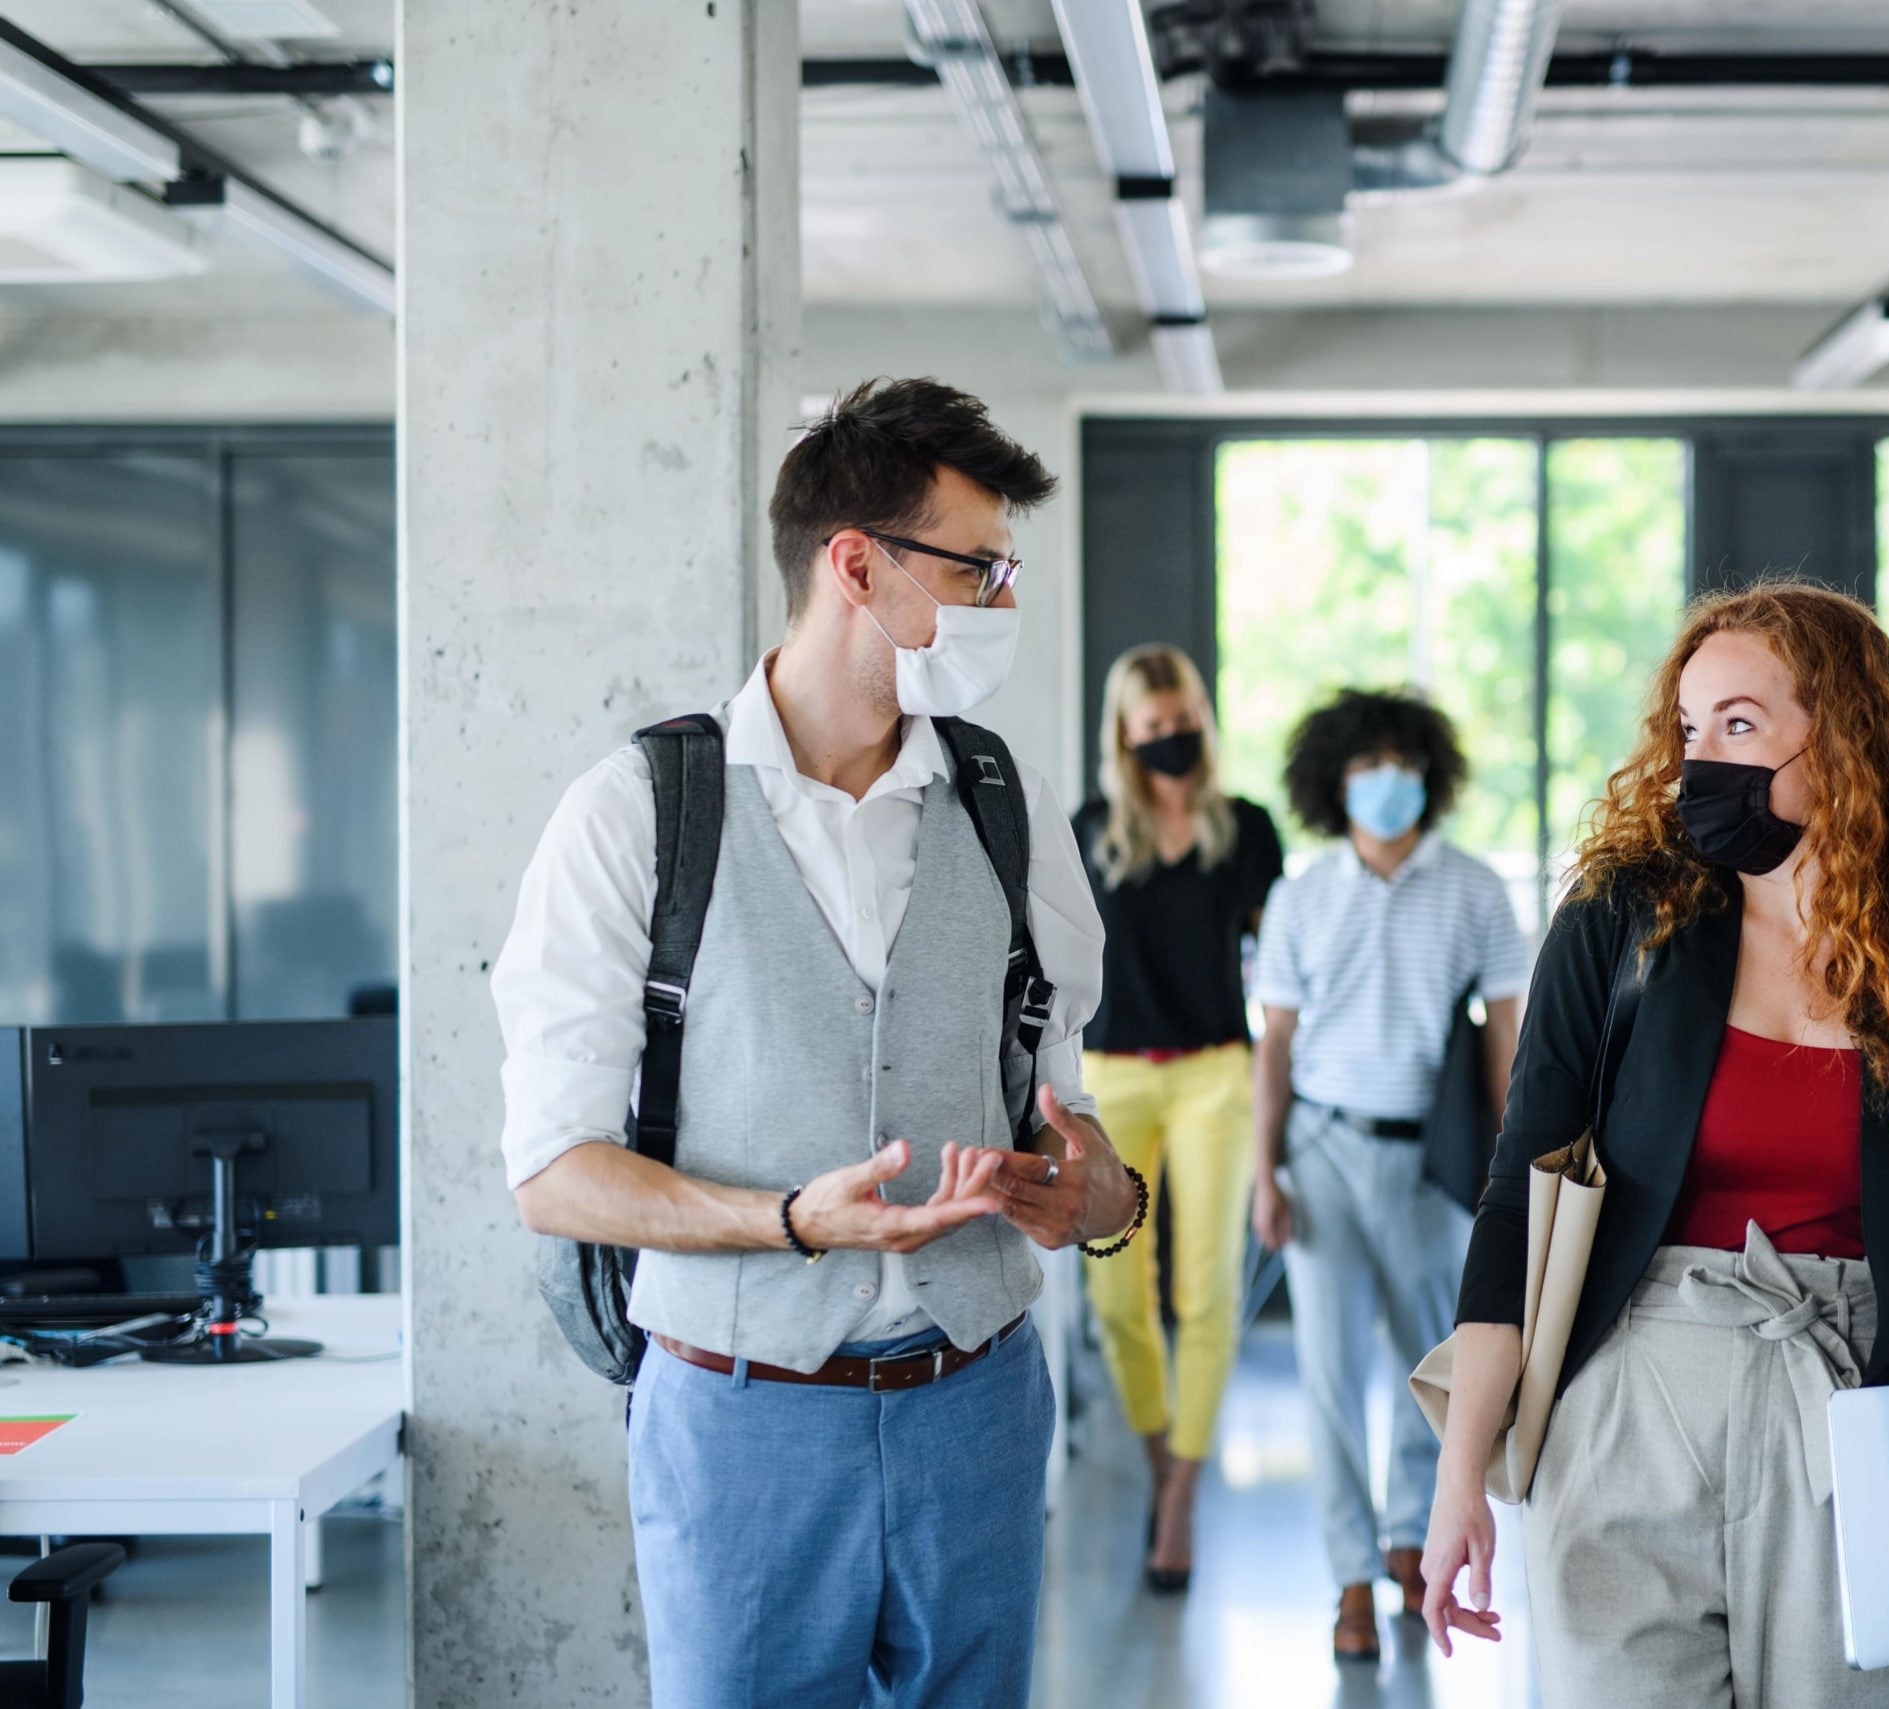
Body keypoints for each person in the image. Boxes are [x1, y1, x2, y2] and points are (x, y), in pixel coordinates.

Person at [493, 378, 1144, 1709]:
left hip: (980, 1403)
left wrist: (1105, 1199)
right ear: (857, 563)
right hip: (740, 1417)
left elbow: (1068, 1117)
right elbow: (555, 1171)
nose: (1001, 602)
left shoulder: (1007, 813)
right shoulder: (634, 816)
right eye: (978, 565)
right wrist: (790, 1221)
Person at [1416, 581, 1889, 1708]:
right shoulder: (1622, 915)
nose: (1703, 762)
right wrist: (1457, 1483)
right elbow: (1518, 1202)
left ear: (1843, 739)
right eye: (1690, 730)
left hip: (1848, 1420)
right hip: (1629, 1399)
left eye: (1739, 725)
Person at [1249, 687, 1530, 1663]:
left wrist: (1512, 1167)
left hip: (1432, 1160)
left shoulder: (1475, 889)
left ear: (1429, 775)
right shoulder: (1301, 894)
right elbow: (1273, 1045)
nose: (1384, 783)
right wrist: (1263, 1172)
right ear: (1334, 782)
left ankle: (1413, 1540)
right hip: (1321, 1152)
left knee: (1430, 1367)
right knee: (1328, 1375)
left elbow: (1508, 1032)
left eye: (1399, 763)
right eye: (1364, 766)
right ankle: (1348, 1578)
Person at [1071, 643, 1285, 1592]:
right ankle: (1162, 1459)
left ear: (1203, 714)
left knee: (1205, 1293)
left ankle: (1184, 1495)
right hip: (1111, 1079)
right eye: (1151, 727)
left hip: (1213, 1076)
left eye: (1183, 718)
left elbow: (1281, 962)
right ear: (1124, 733)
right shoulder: (1086, 831)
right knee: (1116, 1300)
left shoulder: (1246, 828)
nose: (1171, 738)